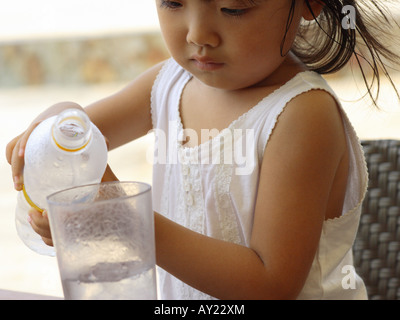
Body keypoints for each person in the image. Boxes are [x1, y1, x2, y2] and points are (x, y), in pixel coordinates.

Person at [5, 0, 400, 299]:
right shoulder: (167, 82)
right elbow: (80, 131)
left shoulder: (301, 115)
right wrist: (52, 129)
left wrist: (126, 219)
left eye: (233, 8)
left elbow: (270, 285)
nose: (198, 34)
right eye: (174, 2)